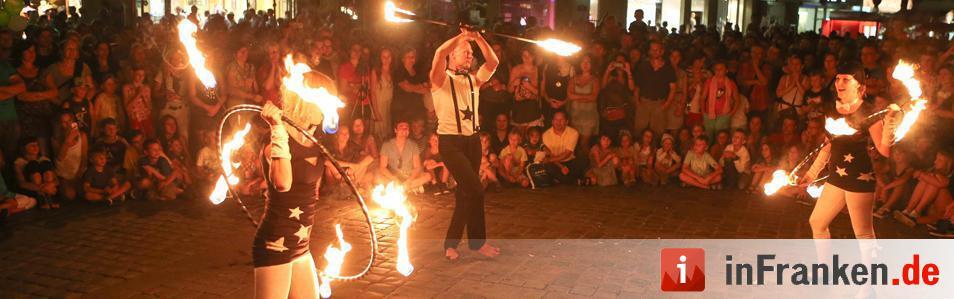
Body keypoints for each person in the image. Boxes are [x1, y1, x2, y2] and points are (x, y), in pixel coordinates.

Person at [253, 65, 335, 296]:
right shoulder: (276, 141)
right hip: (276, 242)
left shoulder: (315, 140)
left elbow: (312, 187)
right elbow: (283, 183)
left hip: (300, 243)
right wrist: (277, 128)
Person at [801, 64, 900, 240]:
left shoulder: (869, 112)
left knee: (863, 234)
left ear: (860, 87)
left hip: (859, 178)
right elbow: (828, 144)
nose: (840, 82)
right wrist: (812, 173)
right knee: (817, 222)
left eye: (846, 79)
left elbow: (884, 151)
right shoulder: (832, 109)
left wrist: (890, 124)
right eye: (838, 78)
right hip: (836, 177)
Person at [429, 27, 500, 260]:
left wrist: (478, 38)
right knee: (475, 189)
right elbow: (439, 53)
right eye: (464, 52)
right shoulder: (439, 79)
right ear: (453, 55)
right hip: (450, 143)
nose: (470, 55)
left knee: (464, 193)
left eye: (471, 52)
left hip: (472, 142)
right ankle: (477, 243)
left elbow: (494, 61)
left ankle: (451, 244)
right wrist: (462, 36)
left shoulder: (474, 80)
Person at [633, 41, 676, 135]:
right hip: (644, 102)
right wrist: (637, 103)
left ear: (662, 51)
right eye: (652, 50)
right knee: (639, 130)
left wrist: (666, 105)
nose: (655, 52)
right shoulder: (643, 66)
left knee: (658, 132)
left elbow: (673, 88)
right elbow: (637, 86)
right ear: (649, 51)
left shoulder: (668, 68)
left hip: (659, 103)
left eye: (657, 50)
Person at [377, 121, 431, 192]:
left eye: (406, 128)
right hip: (393, 176)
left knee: (428, 176)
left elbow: (417, 167)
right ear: (395, 130)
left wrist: (409, 180)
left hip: (409, 175)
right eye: (401, 127)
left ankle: (401, 188)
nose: (404, 129)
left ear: (408, 131)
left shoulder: (413, 145)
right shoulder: (387, 145)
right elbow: (382, 167)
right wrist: (394, 178)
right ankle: (409, 188)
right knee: (377, 178)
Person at [52, 112, 88, 201]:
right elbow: (60, 157)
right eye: (64, 122)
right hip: (64, 175)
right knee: (70, 195)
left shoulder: (82, 135)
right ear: (59, 124)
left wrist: (80, 173)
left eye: (69, 121)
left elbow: (84, 156)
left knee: (83, 193)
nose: (67, 124)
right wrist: (67, 141)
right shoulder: (55, 139)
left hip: (77, 173)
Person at [542, 111, 584, 185]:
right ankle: (574, 182)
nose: (558, 122)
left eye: (561, 120)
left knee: (582, 161)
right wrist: (561, 166)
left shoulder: (573, 133)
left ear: (567, 121)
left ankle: (560, 179)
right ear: (552, 121)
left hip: (569, 161)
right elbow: (550, 154)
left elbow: (567, 153)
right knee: (548, 167)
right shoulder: (546, 135)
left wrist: (550, 160)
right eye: (556, 119)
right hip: (555, 163)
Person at [509, 47, 544, 131]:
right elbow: (509, 90)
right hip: (518, 112)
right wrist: (514, 83)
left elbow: (542, 94)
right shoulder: (516, 69)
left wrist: (530, 88)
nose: (526, 58)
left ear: (534, 56)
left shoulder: (539, 71)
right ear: (521, 56)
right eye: (524, 55)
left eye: (529, 56)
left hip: (533, 112)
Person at [873, 148, 914, 218]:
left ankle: (886, 207)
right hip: (889, 194)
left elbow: (903, 180)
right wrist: (883, 185)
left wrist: (886, 187)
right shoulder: (891, 166)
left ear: (906, 155)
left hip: (902, 197)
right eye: (895, 153)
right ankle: (875, 203)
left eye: (900, 153)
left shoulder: (910, 168)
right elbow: (878, 174)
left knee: (900, 184)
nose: (897, 156)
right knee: (882, 178)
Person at [371, 48, 394, 140]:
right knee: (379, 134)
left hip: (389, 105)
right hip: (379, 105)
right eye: (384, 57)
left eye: (388, 57)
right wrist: (376, 112)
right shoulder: (376, 71)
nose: (386, 59)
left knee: (388, 132)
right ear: (380, 58)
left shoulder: (392, 71)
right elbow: (372, 92)